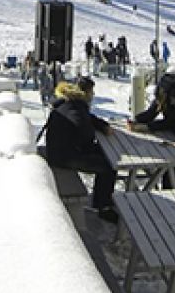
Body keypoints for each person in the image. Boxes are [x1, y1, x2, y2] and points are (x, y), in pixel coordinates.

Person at [42, 76, 118, 223]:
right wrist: (90, 133)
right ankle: (103, 207)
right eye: (92, 92)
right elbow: (83, 128)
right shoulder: (76, 107)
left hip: (58, 150)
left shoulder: (69, 101)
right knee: (108, 165)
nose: (93, 96)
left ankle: (102, 199)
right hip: (64, 156)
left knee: (103, 155)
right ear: (87, 92)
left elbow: (87, 118)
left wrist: (102, 125)